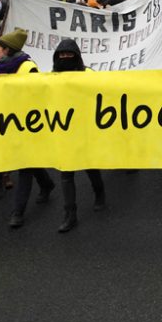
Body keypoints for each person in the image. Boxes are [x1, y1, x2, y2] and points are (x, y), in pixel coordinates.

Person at [0, 29, 54, 218]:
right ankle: (47, 184)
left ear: (7, 50)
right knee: (28, 162)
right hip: (7, 120)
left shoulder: (28, 67)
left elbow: (38, 95)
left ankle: (18, 212)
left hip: (26, 123)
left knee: (24, 164)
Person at [53, 39, 106, 233]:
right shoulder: (52, 77)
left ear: (76, 56)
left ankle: (99, 193)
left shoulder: (88, 74)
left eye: (69, 55)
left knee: (90, 167)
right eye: (62, 55)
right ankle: (70, 214)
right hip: (64, 131)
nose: (65, 58)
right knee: (66, 174)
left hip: (85, 131)